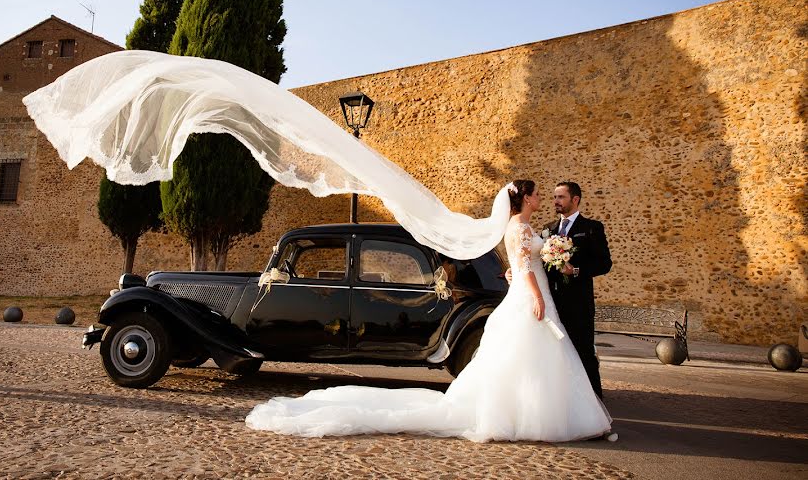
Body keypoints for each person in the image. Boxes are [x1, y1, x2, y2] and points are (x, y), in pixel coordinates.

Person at [245, 180, 614, 442]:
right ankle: (533, 413)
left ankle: (535, 411)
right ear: (525, 199)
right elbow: (524, 265)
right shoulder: (524, 228)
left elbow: (522, 264)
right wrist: (533, 291)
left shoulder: (524, 227)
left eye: (554, 196)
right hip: (531, 294)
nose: (544, 199)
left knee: (527, 356)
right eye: (538, 194)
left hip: (533, 293)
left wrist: (539, 275)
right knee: (527, 356)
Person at [545, 181, 612, 398]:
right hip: (553, 303)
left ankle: (596, 403)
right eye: (555, 197)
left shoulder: (591, 228)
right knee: (556, 355)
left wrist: (575, 271)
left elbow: (604, 264)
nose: (556, 201)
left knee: (584, 353)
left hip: (579, 304)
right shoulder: (548, 229)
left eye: (561, 197)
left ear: (575, 199)